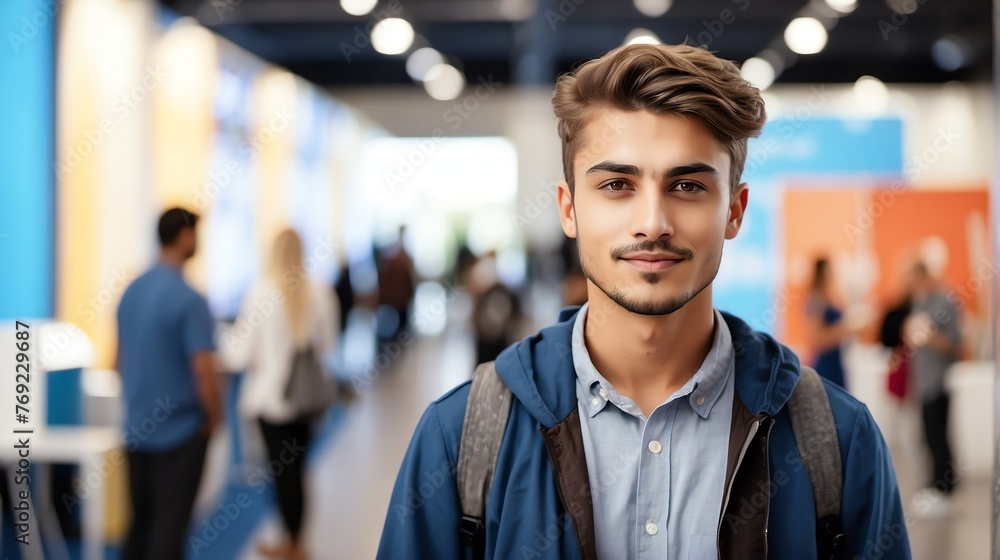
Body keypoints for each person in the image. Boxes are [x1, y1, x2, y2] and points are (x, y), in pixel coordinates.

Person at [377, 44, 908, 559]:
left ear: (735, 211)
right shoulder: (463, 438)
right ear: (568, 209)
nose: (652, 222)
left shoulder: (837, 438)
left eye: (688, 186)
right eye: (615, 184)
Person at [226, 228, 339, 560]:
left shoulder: (260, 292)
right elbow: (328, 345)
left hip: (271, 400)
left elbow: (240, 355)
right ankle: (296, 539)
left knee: (280, 472)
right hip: (307, 400)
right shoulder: (320, 292)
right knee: (297, 470)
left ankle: (292, 542)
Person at [116, 208, 222, 560]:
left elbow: (116, 363)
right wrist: (214, 418)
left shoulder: (131, 291)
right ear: (186, 237)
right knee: (169, 527)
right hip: (180, 434)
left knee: (141, 523)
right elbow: (204, 371)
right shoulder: (190, 299)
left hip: (136, 428)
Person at [903, 260, 962, 517]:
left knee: (939, 437)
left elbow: (954, 343)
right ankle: (934, 485)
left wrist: (928, 335)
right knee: (927, 436)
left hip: (939, 380)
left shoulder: (945, 302)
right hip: (923, 380)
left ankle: (945, 488)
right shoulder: (919, 304)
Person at [805, 257, 849, 388]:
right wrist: (844, 330)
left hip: (837, 361)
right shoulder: (816, 300)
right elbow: (816, 339)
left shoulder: (831, 297)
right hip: (825, 365)